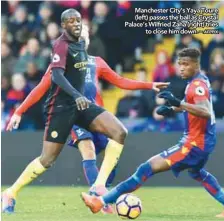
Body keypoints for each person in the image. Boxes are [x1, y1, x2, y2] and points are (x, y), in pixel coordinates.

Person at [2, 9, 169, 214]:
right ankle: (10, 192)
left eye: (81, 24)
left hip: (85, 107)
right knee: (47, 160)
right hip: (62, 111)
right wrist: (19, 111)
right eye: (72, 23)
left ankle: (99, 186)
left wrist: (149, 85)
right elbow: (43, 86)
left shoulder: (94, 60)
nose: (80, 29)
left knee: (119, 132)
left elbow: (121, 81)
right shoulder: (61, 53)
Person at [81, 48, 224, 218]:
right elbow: (194, 106)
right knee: (196, 173)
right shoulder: (200, 80)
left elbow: (204, 110)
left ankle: (100, 202)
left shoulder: (197, 85)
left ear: (196, 64)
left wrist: (178, 102)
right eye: (180, 64)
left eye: (186, 64)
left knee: (145, 169)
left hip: (193, 144)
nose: (182, 68)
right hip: (203, 142)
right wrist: (171, 108)